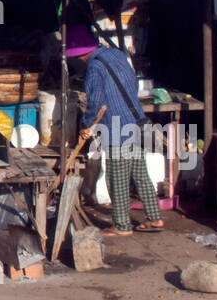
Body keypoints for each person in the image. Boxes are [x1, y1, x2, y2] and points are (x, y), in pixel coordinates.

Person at [68, 24, 164, 237]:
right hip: (136, 120)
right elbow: (130, 82)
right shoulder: (116, 54)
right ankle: (154, 217)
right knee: (140, 173)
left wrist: (86, 125)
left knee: (116, 177)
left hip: (117, 128)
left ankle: (121, 225)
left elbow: (95, 102)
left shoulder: (94, 67)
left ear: (79, 55)